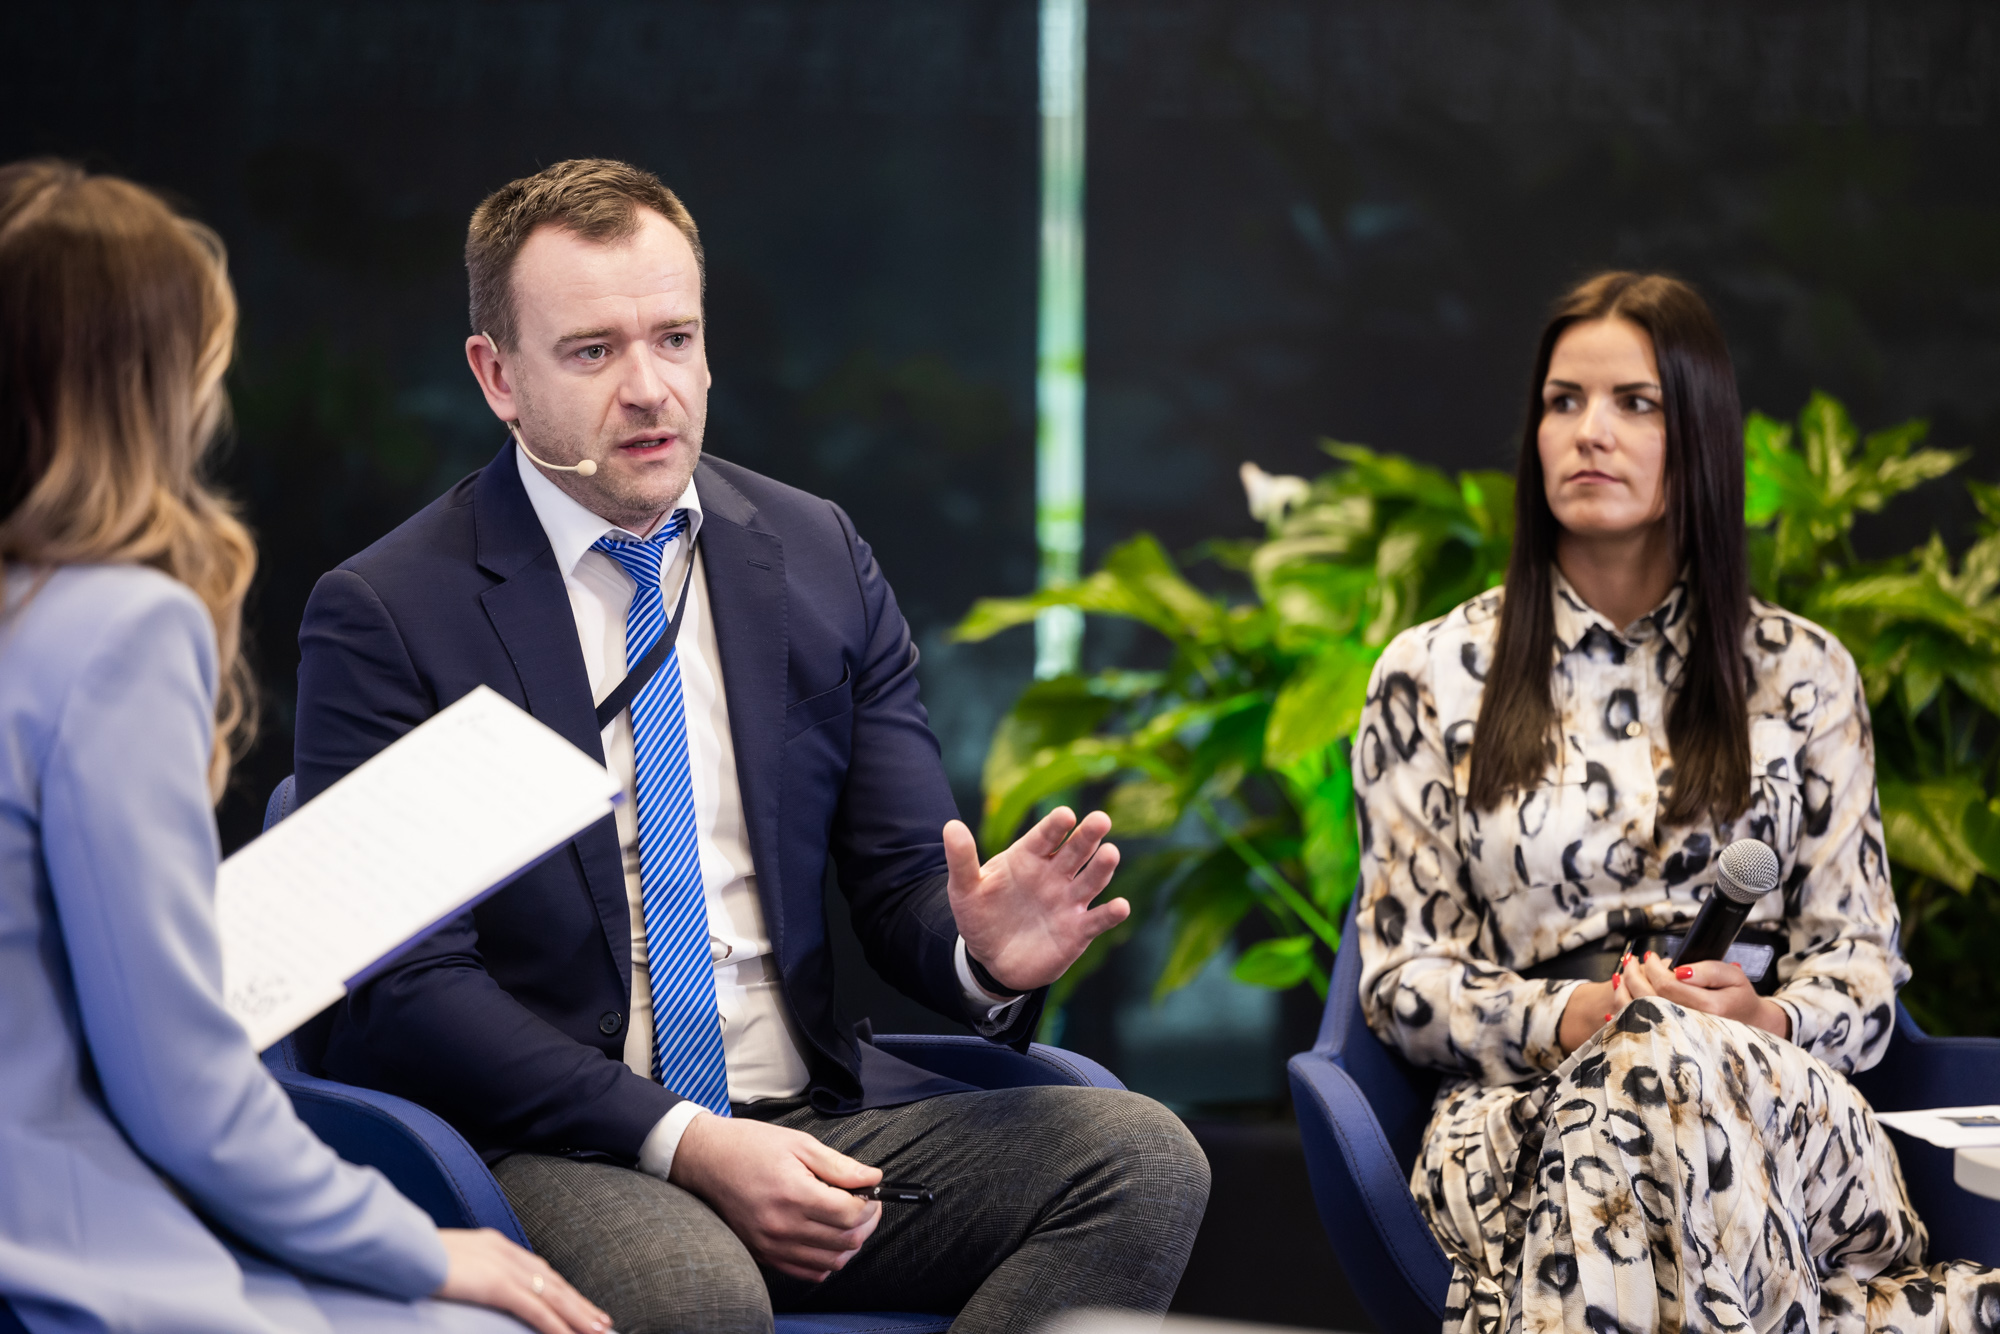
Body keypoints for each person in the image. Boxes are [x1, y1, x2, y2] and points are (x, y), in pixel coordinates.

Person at [293, 158, 1208, 1334]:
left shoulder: (814, 554)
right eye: (592, 351)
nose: (648, 389)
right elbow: (407, 991)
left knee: (1140, 1159)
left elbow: (899, 880)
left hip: (807, 1119)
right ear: (497, 375)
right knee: (693, 1290)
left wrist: (980, 957)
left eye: (674, 339)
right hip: (559, 1138)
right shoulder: (390, 611)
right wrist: (686, 1141)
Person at [0, 161, 611, 1334]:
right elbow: (180, 1087)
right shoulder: (120, 629)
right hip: (66, 1252)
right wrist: (421, 1247)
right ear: (150, 387)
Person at [1351, 271, 1998, 1332]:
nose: (1588, 431)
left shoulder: (1801, 673)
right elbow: (1403, 979)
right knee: (1640, 1078)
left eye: (1634, 402)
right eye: (1562, 401)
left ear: (1698, 431)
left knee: (1663, 1065)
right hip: (1525, 1109)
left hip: (1771, 1095)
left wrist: (1761, 1016)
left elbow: (1858, 967)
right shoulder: (1431, 674)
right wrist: (1576, 1016)